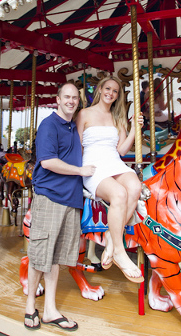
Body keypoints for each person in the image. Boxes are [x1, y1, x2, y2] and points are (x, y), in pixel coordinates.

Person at [24, 83, 96, 330]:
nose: (71, 101)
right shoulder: (49, 125)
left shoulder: (72, 127)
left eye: (75, 97)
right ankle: (30, 307)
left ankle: (50, 310)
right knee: (40, 254)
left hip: (71, 199)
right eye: (67, 97)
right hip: (50, 195)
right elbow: (47, 162)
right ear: (57, 99)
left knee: (54, 257)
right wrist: (80, 171)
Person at [75, 76, 145, 283]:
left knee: (134, 186)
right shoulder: (84, 114)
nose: (111, 93)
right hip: (93, 165)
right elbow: (77, 145)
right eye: (108, 88)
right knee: (119, 193)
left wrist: (134, 129)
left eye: (115, 91)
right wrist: (78, 170)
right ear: (100, 89)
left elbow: (121, 150)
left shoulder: (117, 117)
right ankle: (120, 252)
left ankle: (110, 241)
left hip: (114, 162)